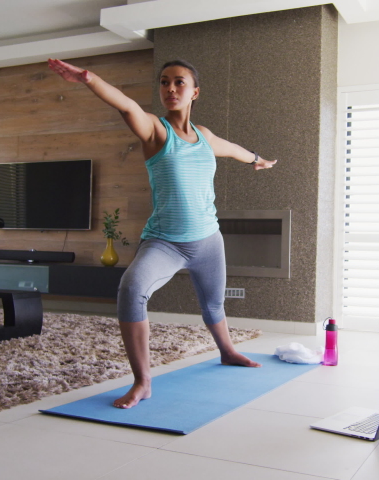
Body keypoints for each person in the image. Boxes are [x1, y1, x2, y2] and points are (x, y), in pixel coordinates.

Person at [48, 58, 278, 409]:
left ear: (194, 92)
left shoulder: (205, 136)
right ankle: (142, 381)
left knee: (213, 303)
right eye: (164, 82)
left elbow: (232, 150)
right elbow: (126, 105)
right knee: (132, 288)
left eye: (179, 83)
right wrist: (89, 79)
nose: (170, 89)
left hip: (208, 240)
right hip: (166, 242)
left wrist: (256, 159)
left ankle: (228, 351)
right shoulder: (156, 131)